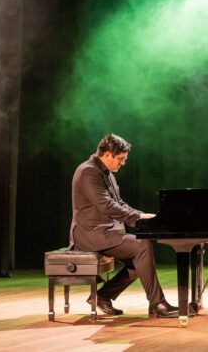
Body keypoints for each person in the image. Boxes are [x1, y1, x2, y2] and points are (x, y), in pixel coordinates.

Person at [69, 133, 178, 318]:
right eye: (121, 159)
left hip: (105, 231)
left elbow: (119, 203)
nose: (123, 163)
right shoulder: (88, 171)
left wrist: (143, 216)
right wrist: (138, 217)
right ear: (107, 155)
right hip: (91, 234)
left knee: (139, 263)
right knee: (142, 246)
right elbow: (106, 206)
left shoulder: (106, 173)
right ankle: (157, 304)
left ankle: (102, 296)